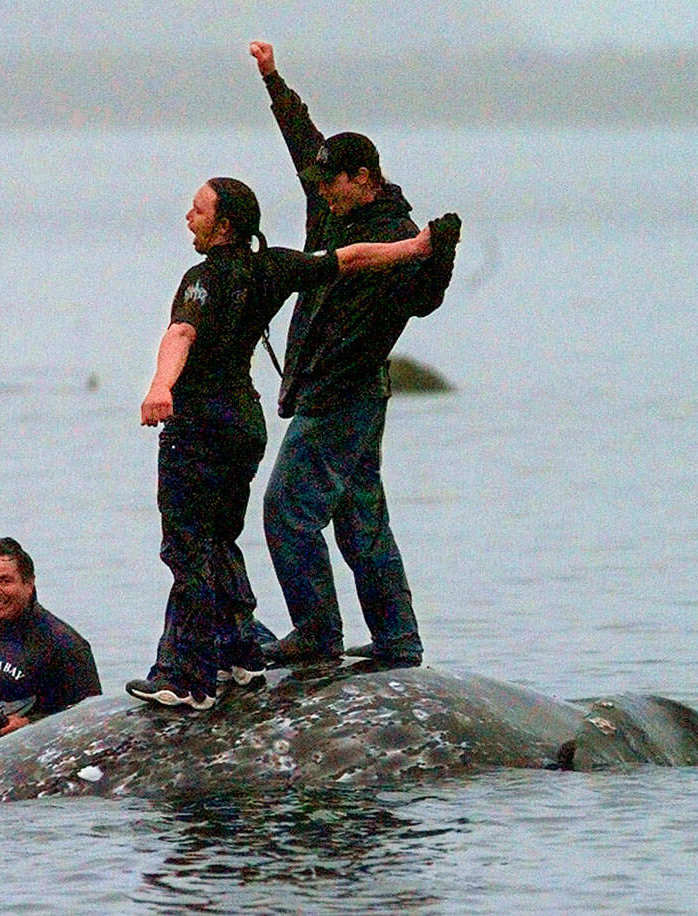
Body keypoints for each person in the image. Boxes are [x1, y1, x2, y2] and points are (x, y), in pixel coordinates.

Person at [125, 176, 459, 710]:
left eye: (198, 210)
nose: (188, 217)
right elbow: (348, 259)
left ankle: (185, 676)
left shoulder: (201, 280)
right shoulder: (272, 267)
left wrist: (161, 386)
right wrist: (415, 247)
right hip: (244, 424)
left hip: (200, 428)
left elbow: (180, 334)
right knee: (221, 540)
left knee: (187, 549)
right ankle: (240, 657)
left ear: (225, 225)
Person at [248, 40, 461, 669]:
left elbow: (424, 302)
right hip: (342, 392)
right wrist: (273, 80)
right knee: (360, 519)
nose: (322, 195)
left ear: (362, 179)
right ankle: (398, 642)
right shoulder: (330, 198)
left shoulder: (399, 235)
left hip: (345, 393)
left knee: (287, 508)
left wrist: (440, 252)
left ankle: (316, 632)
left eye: (332, 186)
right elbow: (301, 137)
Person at [0, 537, 101, 755]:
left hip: (50, 759)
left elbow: (92, 718)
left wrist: (32, 725)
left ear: (29, 584)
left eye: (5, 581)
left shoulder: (65, 644)